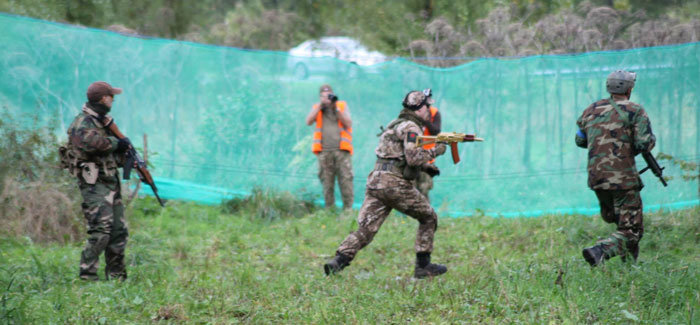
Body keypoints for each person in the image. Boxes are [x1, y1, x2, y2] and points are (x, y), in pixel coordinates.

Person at [323, 90, 448, 278]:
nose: (429, 111)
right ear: (419, 108)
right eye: (427, 107)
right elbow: (412, 159)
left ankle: (338, 260)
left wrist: (426, 168)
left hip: (376, 181)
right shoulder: (412, 127)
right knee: (429, 217)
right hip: (394, 184)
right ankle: (423, 265)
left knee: (366, 229)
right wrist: (436, 151)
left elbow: (396, 156)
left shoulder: (393, 125)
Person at [575, 70, 656, 266]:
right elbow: (644, 144)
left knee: (622, 224)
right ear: (629, 88)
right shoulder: (635, 110)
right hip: (623, 178)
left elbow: (580, 140)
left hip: (596, 178)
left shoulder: (590, 109)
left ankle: (629, 269)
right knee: (632, 230)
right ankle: (599, 250)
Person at [61, 81, 131, 280]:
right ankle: (87, 276)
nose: (113, 100)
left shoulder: (103, 122)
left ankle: (117, 278)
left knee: (118, 231)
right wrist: (118, 143)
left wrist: (127, 156)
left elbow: (110, 155)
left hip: (110, 181)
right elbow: (93, 145)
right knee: (101, 231)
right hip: (94, 185)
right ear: (103, 99)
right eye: (111, 96)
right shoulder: (82, 123)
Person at [305, 84, 354, 210]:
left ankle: (348, 210)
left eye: (329, 95)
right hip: (324, 152)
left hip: (341, 151)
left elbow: (348, 123)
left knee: (346, 181)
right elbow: (308, 121)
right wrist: (321, 105)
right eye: (324, 95)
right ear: (320, 97)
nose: (327, 97)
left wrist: (335, 107)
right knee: (327, 183)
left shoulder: (341, 106)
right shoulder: (317, 108)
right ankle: (329, 209)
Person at [415, 88, 441, 201]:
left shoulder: (435, 113)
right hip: (413, 155)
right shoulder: (413, 113)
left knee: (424, 188)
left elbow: (436, 131)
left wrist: (425, 120)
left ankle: (426, 215)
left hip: (427, 156)